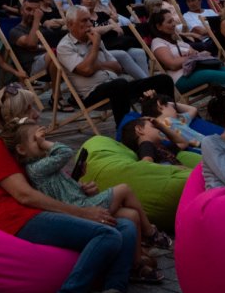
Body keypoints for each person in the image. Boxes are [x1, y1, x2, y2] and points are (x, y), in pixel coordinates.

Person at [0, 115, 137, 293]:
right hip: (20, 219)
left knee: (126, 226)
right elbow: (24, 195)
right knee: (109, 234)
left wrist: (79, 188)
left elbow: (51, 186)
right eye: (28, 111)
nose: (35, 117)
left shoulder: (31, 156)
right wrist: (82, 212)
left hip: (42, 212)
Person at [17, 119, 170, 284]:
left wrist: (80, 185)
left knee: (131, 215)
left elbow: (63, 188)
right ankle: (151, 233)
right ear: (21, 149)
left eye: (41, 138)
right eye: (35, 140)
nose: (40, 142)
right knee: (124, 189)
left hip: (81, 202)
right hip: (79, 210)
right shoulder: (36, 168)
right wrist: (45, 142)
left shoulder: (43, 164)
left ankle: (135, 264)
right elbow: (65, 152)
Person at [55, 6, 174, 124]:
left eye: (89, 20)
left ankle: (171, 121)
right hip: (92, 94)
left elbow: (117, 67)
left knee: (164, 80)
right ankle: (124, 128)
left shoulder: (94, 39)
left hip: (117, 87)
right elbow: (86, 70)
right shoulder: (66, 46)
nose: (89, 24)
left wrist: (97, 65)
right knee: (119, 84)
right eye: (84, 20)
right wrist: (96, 45)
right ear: (70, 24)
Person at [147, 7, 225, 95]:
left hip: (198, 69)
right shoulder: (158, 42)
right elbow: (172, 65)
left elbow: (194, 53)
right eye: (169, 22)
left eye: (173, 20)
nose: (174, 24)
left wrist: (199, 54)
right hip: (181, 78)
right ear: (159, 27)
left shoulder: (178, 40)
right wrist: (192, 56)